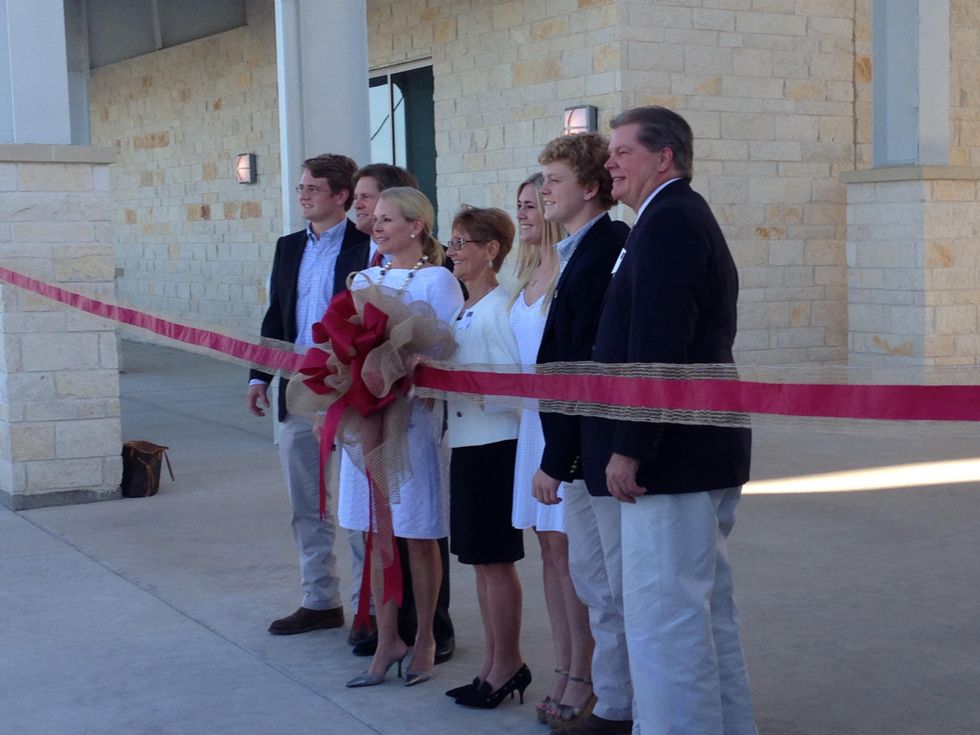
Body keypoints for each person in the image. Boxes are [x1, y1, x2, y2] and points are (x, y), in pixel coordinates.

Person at [582, 105, 757, 734]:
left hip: (673, 457)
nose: (610, 164)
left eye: (622, 152)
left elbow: (660, 344)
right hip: (689, 448)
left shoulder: (670, 221)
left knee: (666, 619)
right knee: (701, 613)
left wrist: (631, 445)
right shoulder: (666, 218)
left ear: (664, 157)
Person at [531, 133, 633, 735]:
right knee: (595, 581)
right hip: (578, 445)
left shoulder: (604, 250)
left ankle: (622, 706)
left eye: (554, 180)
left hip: (594, 442)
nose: (543, 191)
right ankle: (615, 701)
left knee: (614, 584)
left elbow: (584, 365)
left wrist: (559, 455)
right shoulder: (575, 250)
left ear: (590, 188)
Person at [342, 187, 463, 688]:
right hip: (368, 419)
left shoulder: (439, 280)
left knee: (416, 530)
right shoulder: (364, 278)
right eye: (376, 218)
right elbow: (343, 340)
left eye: (388, 219)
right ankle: (386, 634)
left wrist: (414, 366)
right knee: (375, 529)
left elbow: (451, 345)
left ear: (416, 226)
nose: (377, 225)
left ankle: (427, 637)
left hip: (413, 419)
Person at [246, 153, 369, 637]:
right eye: (301, 187)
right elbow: (277, 316)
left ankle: (369, 607)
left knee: (358, 504)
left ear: (341, 195)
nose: (303, 196)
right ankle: (319, 599)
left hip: (352, 390)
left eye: (313, 188)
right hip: (299, 389)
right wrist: (259, 378)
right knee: (307, 502)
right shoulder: (288, 246)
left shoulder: (366, 246)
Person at [509, 174, 595, 726]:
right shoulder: (525, 273)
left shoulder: (571, 269)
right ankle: (563, 665)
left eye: (534, 202)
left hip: (560, 425)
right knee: (548, 552)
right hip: (528, 426)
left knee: (573, 557)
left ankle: (586, 675)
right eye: (518, 204)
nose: (524, 213)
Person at [440, 206, 531, 709]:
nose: (452, 252)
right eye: (451, 244)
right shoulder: (466, 307)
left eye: (461, 244)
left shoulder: (500, 309)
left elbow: (516, 390)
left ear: (491, 249)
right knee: (478, 561)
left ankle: (509, 663)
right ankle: (492, 664)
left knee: (496, 561)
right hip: (466, 443)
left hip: (495, 448)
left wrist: (469, 389)